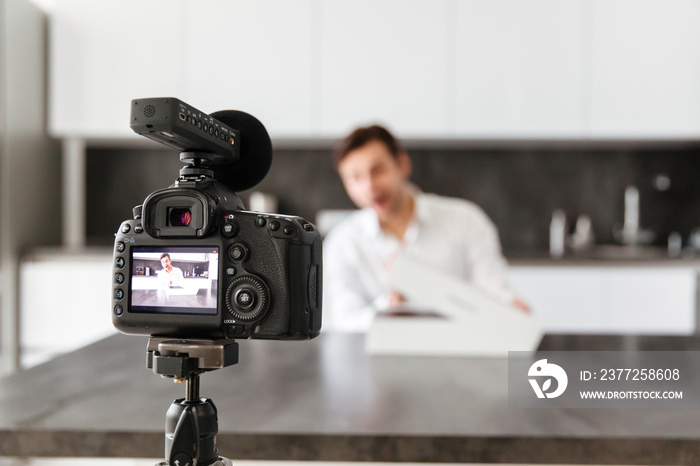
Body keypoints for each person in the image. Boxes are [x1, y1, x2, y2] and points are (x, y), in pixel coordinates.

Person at [323, 124, 527, 332]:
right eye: (355, 178)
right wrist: (387, 308)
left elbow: (493, 288)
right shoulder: (342, 243)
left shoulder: (465, 220)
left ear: (402, 164)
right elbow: (344, 322)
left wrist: (510, 306)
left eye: (378, 170)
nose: (370, 187)